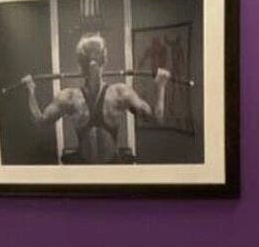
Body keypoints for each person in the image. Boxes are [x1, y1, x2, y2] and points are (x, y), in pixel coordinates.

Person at [22, 33, 169, 164]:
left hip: (112, 169)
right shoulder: (69, 97)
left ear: (103, 59)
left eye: (96, 54)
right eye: (88, 56)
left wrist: (160, 86)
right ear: (82, 62)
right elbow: (40, 121)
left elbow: (157, 119)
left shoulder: (120, 93)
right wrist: (30, 91)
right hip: (84, 171)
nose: (92, 59)